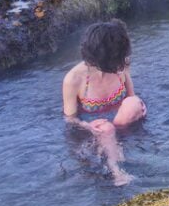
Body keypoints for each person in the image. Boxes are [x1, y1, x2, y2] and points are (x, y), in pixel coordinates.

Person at [62, 19, 147, 185]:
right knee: (106, 129)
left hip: (123, 121)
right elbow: (69, 118)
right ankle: (116, 171)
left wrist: (139, 109)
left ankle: (126, 147)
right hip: (94, 127)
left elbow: (131, 96)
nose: (124, 61)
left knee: (132, 104)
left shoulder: (121, 64)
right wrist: (88, 126)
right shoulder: (73, 80)